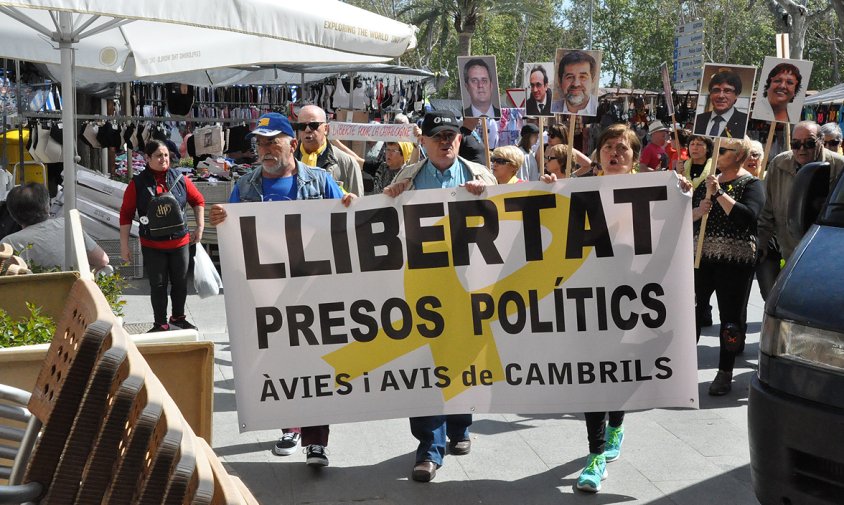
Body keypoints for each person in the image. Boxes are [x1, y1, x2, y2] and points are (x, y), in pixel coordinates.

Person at [209, 112, 354, 467]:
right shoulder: (245, 187)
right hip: (267, 294)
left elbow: (344, 225)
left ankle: (316, 441)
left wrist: (348, 208)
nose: (265, 149)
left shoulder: (319, 182)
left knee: (316, 364)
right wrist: (220, 221)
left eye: (272, 141)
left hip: (312, 289)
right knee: (277, 362)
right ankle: (289, 427)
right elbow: (233, 239)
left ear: (292, 142)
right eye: (260, 143)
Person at [381, 110, 496, 483]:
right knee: (425, 362)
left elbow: (507, 221)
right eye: (438, 136)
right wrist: (388, 198)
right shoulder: (407, 179)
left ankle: (460, 424)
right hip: (422, 285)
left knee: (462, 356)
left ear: (459, 139)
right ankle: (430, 447)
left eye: (452, 135)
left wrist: (487, 198)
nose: (446, 142)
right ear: (424, 142)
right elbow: (380, 224)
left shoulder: (480, 176)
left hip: (470, 285)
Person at [691, 137, 765, 395]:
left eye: (723, 150)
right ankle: (685, 366)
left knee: (730, 320)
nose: (717, 154)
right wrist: (699, 208)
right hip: (702, 259)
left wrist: (720, 193)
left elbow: (748, 217)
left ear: (739, 154)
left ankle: (725, 371)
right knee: (692, 313)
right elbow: (689, 215)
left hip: (735, 262)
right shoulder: (708, 181)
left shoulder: (752, 183)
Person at [119, 139, 205, 332]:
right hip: (152, 246)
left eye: (166, 155)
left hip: (180, 243)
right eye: (158, 156)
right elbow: (125, 214)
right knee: (158, 286)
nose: (163, 159)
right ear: (147, 158)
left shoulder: (180, 179)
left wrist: (200, 226)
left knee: (180, 284)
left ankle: (178, 318)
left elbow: (198, 200)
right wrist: (124, 246)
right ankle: (160, 324)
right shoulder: (138, 183)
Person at [757, 121, 844, 299]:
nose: (801, 149)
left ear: (821, 141)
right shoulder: (779, 163)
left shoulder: (839, 166)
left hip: (827, 254)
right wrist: (762, 242)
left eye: (809, 143)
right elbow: (767, 209)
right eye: (796, 144)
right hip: (789, 249)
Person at [2, 182, 109, 271]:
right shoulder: (68, 226)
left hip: (31, 296)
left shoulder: (8, 243)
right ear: (47, 207)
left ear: (12, 214)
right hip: (75, 292)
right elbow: (102, 260)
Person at [294, 104, 364, 197]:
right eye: (302, 126)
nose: (307, 130)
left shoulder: (347, 164)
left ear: (326, 129)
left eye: (313, 125)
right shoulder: (288, 161)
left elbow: (358, 206)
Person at [693, 69, 749, 138]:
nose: (721, 96)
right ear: (710, 94)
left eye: (727, 90)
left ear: (736, 95)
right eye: (716, 90)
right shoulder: (699, 119)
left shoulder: (745, 122)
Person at [550, 51, 598, 115]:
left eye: (582, 77)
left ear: (593, 81)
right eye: (570, 77)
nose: (576, 84)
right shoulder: (550, 109)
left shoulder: (601, 109)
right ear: (560, 81)